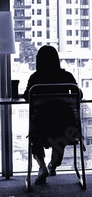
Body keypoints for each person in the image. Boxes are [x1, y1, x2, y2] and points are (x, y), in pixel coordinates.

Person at [23, 45, 82, 184]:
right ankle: (53, 165)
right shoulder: (66, 76)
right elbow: (78, 95)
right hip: (64, 128)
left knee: (35, 139)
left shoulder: (35, 78)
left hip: (40, 127)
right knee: (59, 139)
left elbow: (27, 96)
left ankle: (42, 167)